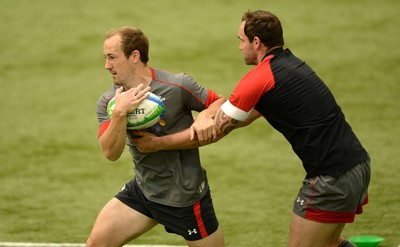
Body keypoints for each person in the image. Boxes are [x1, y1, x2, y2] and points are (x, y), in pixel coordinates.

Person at [210, 10, 370, 247]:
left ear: (256, 42)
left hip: (331, 176)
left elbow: (217, 128)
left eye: (241, 41)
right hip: (357, 165)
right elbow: (241, 118)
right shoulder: (291, 66)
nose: (240, 47)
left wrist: (161, 141)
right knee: (330, 243)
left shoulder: (261, 77)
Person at [87, 26, 226, 247]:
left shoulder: (177, 85)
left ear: (134, 56)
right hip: (144, 192)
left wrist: (205, 115)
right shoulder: (109, 102)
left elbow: (219, 102)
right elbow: (110, 153)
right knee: (96, 244)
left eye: (112, 57)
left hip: (186, 199)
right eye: (105, 58)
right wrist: (120, 114)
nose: (106, 66)